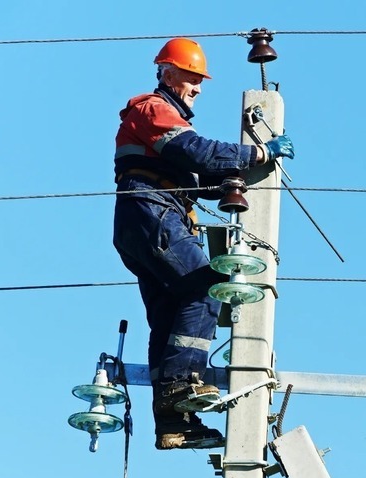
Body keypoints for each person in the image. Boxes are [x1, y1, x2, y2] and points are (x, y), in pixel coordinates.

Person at [112, 38, 294, 450]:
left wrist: (231, 177)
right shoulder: (152, 108)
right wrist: (260, 153)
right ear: (167, 72)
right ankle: (181, 385)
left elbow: (198, 173)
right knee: (206, 286)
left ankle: (173, 423)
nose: (197, 87)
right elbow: (197, 153)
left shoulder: (162, 123)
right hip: (152, 211)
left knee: (170, 315)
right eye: (192, 78)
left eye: (200, 80)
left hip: (147, 216)